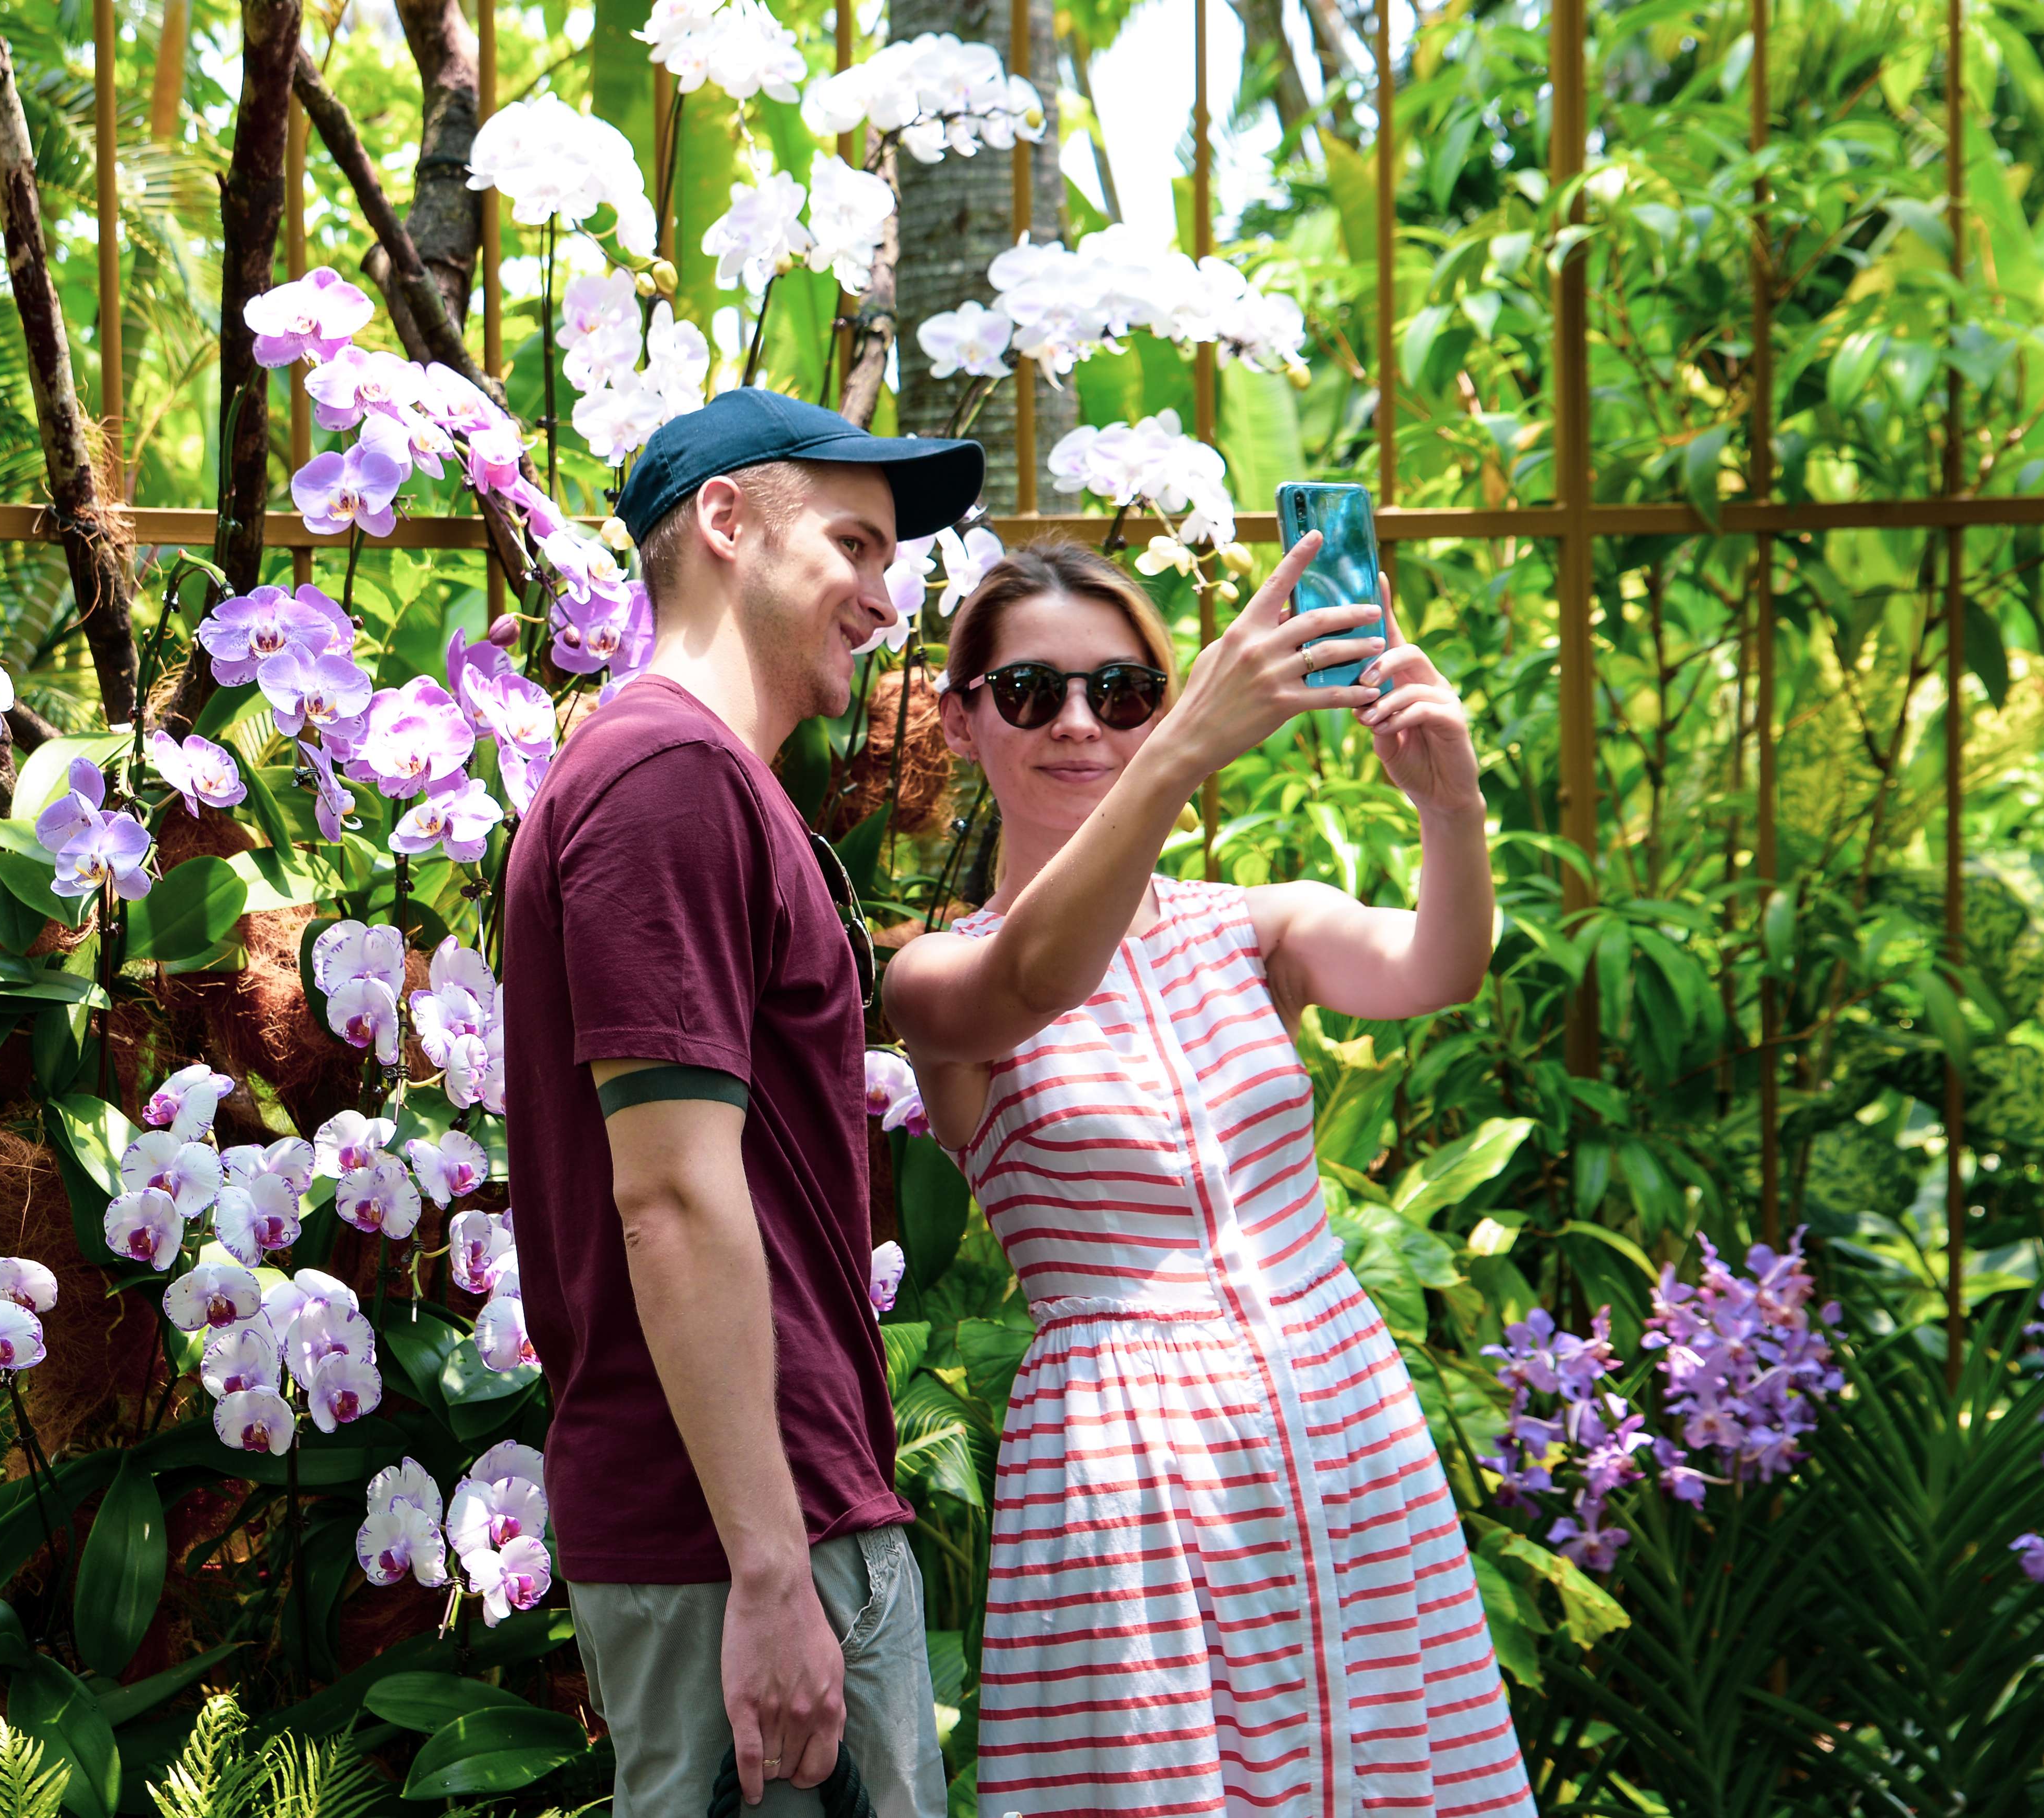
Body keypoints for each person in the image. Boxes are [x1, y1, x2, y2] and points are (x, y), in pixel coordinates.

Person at [882, 539, 1537, 1816]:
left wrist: (1451, 807)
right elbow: (1035, 977)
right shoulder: (936, 979)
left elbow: (1439, 967)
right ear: (962, 722)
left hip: (1344, 1423)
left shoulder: (1254, 926)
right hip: (1127, 1469)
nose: (1081, 724)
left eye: (1123, 692)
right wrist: (1179, 752)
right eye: (1031, 692)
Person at [503, 388, 981, 1815]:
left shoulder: (700, 780)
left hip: (766, 1528)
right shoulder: (668, 778)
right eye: (854, 545)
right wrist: (773, 1566)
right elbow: (668, 1194)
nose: (883, 601)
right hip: (745, 1549)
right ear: (724, 521)